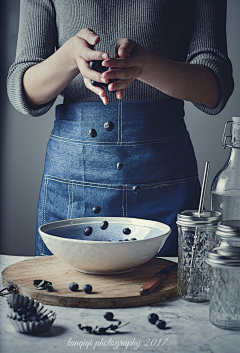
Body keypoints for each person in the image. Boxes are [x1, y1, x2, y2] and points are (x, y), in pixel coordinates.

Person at [7, 0, 234, 257]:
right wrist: (69, 57)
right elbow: (23, 91)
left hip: (164, 178)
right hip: (73, 180)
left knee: (170, 291)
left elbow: (215, 87)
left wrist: (146, 66)